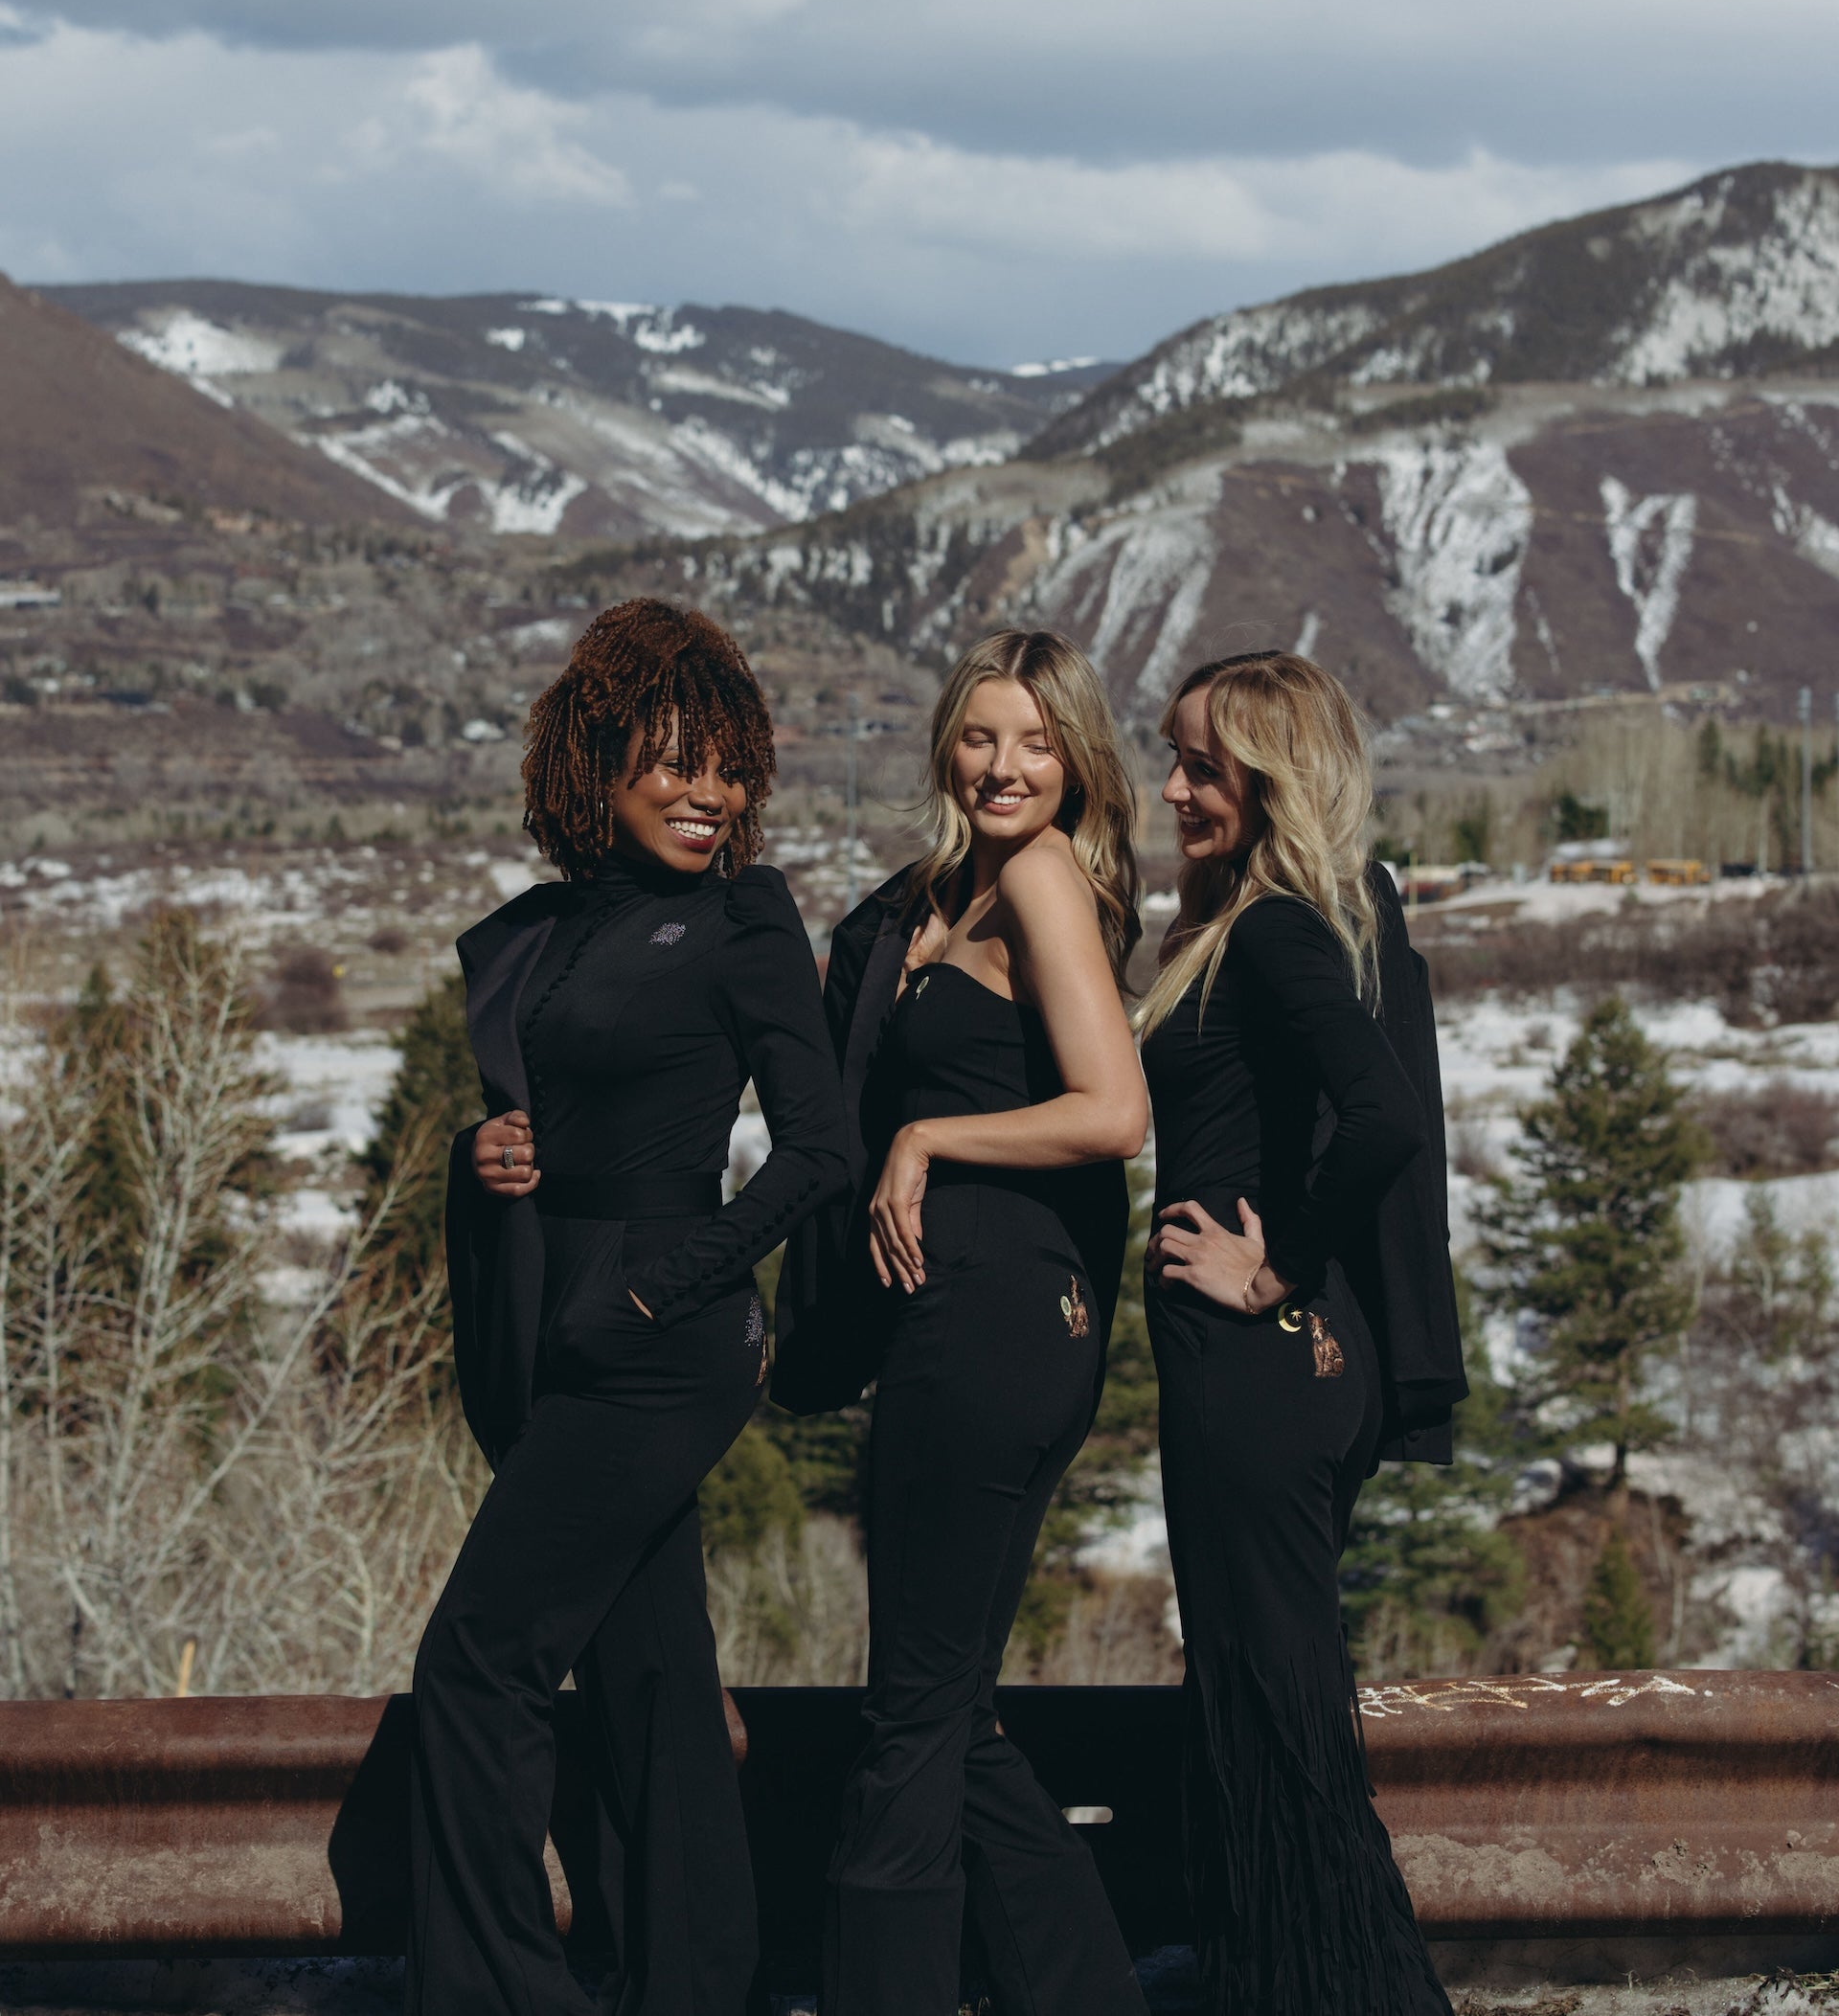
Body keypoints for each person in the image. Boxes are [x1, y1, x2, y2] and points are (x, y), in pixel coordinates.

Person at [409, 599, 849, 2016]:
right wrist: (482, 1163)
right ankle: (695, 1985)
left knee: (477, 1666)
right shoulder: (562, 931)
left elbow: (822, 1149)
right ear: (593, 766)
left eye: (727, 765)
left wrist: (680, 1276)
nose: (708, 794)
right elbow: (535, 1119)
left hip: (660, 1339)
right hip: (558, 1316)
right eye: (672, 761)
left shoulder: (743, 923)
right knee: (655, 1681)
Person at [778, 628, 1151, 2016]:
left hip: (993, 1326)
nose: (1004, 766)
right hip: (984, 1322)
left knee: (907, 1720)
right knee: (950, 1707)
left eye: (1036, 743)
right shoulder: (965, 891)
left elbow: (1114, 1113)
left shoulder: (1045, 880)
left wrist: (927, 1134)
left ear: (1077, 761)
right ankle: (1089, 1995)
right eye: (982, 736)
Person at [1138, 649, 1465, 2016]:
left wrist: (1280, 1272)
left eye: (1203, 767)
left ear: (1273, 781)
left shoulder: (1273, 927)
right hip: (1282, 1376)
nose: (1175, 789)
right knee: (1268, 1706)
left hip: (1259, 1371)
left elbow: (1383, 1117)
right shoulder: (1274, 921)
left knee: (1277, 1722)